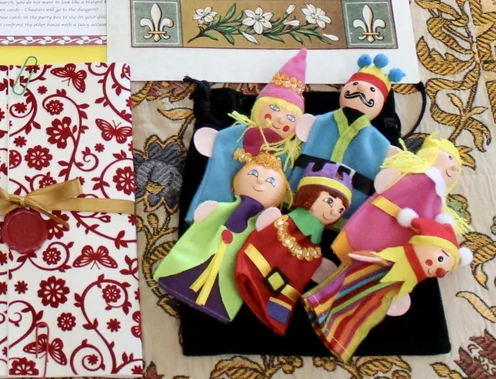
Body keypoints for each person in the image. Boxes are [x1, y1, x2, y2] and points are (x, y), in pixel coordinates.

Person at [303, 217, 470, 361]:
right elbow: (380, 258)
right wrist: (367, 257)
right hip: (364, 278)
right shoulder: (397, 256)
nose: (440, 271)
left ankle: (337, 333)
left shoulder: (412, 277)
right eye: (441, 259)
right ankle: (322, 308)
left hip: (382, 295)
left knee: (361, 313)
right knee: (345, 293)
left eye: (445, 269)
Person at [155, 150, 287, 323]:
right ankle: (175, 280)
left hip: (232, 264)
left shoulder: (260, 224)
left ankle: (218, 305)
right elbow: (203, 216)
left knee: (225, 281)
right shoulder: (223, 209)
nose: (260, 181)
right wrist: (209, 212)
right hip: (205, 250)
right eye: (254, 173)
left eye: (271, 181)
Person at [187, 49, 307, 220]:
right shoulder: (236, 134)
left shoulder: (288, 152)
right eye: (274, 108)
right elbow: (221, 152)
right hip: (218, 202)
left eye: (291, 117)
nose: (281, 119)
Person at [235, 162, 352, 335]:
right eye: (329, 201)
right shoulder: (284, 223)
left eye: (341, 210)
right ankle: (253, 277)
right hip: (247, 272)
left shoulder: (314, 248)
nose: (335, 212)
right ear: (310, 195)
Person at [291, 53, 404, 215]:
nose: (361, 89)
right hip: (296, 198)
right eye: (355, 84)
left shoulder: (380, 144)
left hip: (344, 213)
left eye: (372, 89)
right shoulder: (317, 122)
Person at [333, 135, 467, 258]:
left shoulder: (437, 201)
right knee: (364, 240)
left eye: (458, 167)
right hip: (380, 218)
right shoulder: (411, 175)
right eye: (450, 158)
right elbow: (384, 182)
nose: (454, 167)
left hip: (403, 240)